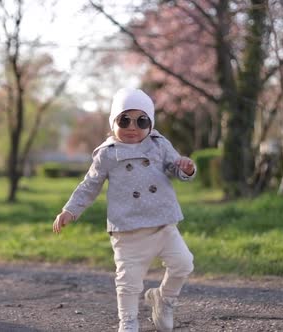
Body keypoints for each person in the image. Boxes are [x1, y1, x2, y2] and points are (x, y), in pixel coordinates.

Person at [53, 88, 196, 332]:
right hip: (127, 230)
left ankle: (164, 299)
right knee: (128, 282)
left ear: (150, 124)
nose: (132, 127)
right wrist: (70, 210)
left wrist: (187, 168)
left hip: (163, 224)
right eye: (124, 120)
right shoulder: (107, 154)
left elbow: (177, 169)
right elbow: (89, 185)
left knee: (184, 264)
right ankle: (128, 322)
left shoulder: (159, 144)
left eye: (141, 121)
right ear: (113, 123)